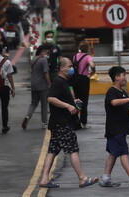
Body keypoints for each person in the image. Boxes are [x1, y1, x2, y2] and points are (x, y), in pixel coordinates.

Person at [38, 57, 98, 189]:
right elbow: (51, 98)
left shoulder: (64, 81)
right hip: (62, 122)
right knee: (73, 150)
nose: (72, 69)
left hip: (59, 122)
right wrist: (68, 106)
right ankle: (82, 178)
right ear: (62, 68)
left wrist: (74, 103)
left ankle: (44, 179)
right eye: (69, 66)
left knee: (53, 150)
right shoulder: (58, 82)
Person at [98, 66, 129, 188]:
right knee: (123, 152)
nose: (125, 78)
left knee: (113, 153)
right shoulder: (112, 91)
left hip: (120, 128)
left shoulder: (122, 92)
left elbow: (125, 106)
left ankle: (105, 178)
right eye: (123, 75)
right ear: (116, 77)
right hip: (116, 128)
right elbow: (113, 102)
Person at [22, 45, 50, 130]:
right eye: (47, 52)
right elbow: (45, 73)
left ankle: (27, 116)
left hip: (34, 84)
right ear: (42, 51)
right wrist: (49, 83)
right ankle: (44, 123)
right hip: (42, 85)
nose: (47, 54)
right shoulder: (43, 60)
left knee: (33, 103)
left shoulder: (34, 59)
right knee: (44, 104)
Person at [71, 40, 96, 129]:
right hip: (84, 80)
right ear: (88, 48)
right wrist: (93, 71)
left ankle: (75, 120)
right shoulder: (88, 57)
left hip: (75, 79)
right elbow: (92, 65)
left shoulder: (75, 56)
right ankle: (83, 122)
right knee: (84, 102)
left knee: (76, 100)